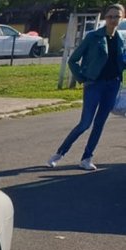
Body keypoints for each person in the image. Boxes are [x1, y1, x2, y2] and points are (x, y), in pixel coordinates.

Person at [48, 4, 126, 171]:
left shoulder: (121, 38)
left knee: (100, 124)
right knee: (85, 123)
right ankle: (60, 153)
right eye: (110, 16)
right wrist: (82, 78)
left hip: (112, 85)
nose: (113, 20)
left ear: (122, 18)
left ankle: (87, 158)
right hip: (94, 85)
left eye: (117, 17)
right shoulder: (93, 37)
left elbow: (121, 61)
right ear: (105, 18)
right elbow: (73, 60)